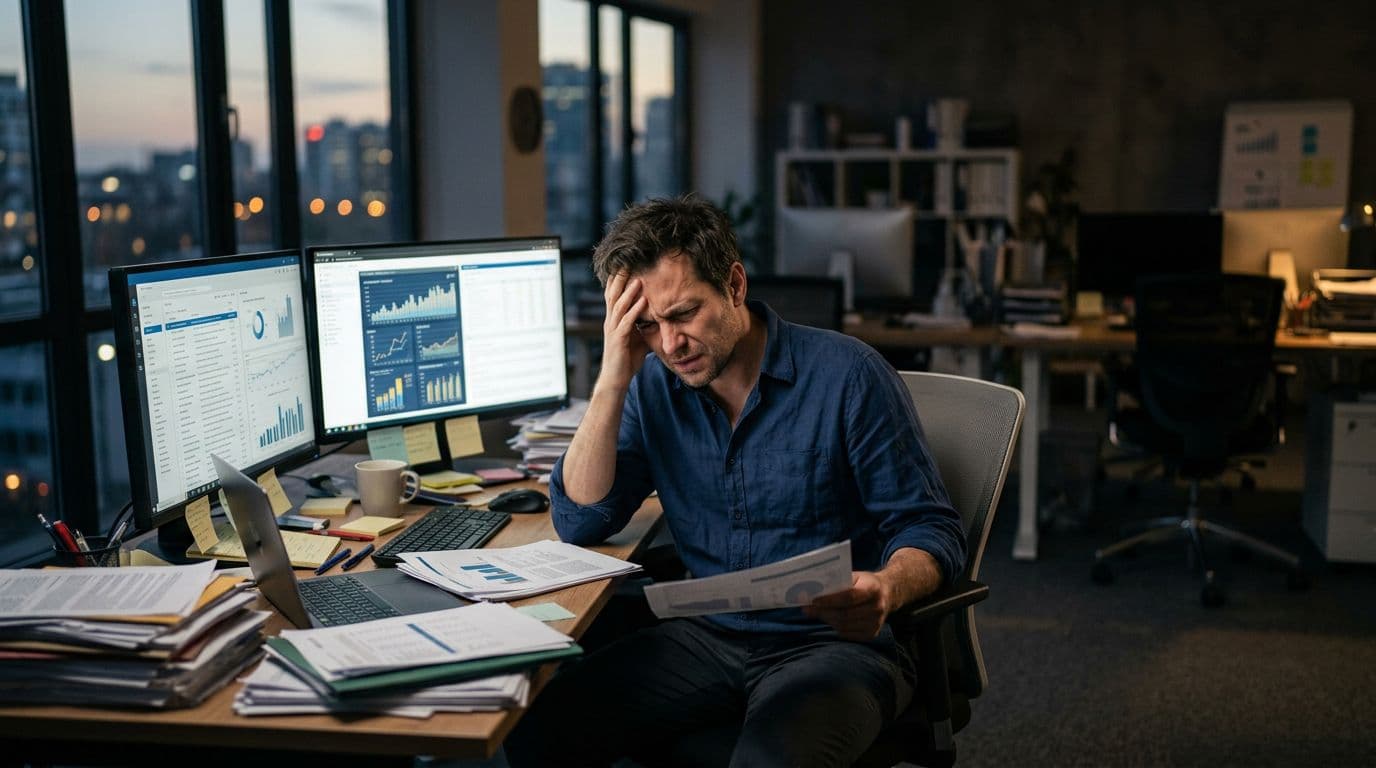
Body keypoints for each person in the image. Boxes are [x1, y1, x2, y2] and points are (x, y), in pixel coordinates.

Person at [506, 195, 965, 768]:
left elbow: (930, 527)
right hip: (709, 639)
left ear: (736, 285)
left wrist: (888, 587)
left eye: (683, 315)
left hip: (834, 648)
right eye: (648, 325)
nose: (670, 345)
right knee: (535, 729)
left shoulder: (849, 376)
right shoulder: (653, 386)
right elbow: (580, 520)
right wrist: (612, 376)